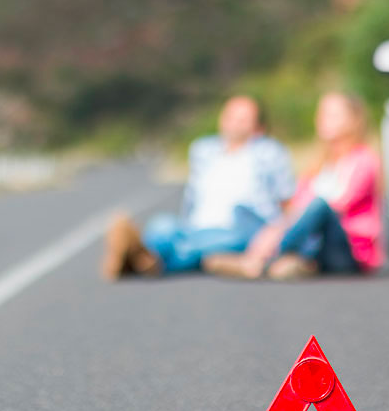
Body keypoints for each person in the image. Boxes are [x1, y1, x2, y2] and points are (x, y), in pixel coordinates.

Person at [101, 95, 296, 279]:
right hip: (196, 226)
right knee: (163, 225)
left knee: (199, 246)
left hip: (241, 226)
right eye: (231, 117)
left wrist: (275, 233)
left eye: (243, 119)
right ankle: (147, 259)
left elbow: (286, 202)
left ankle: (141, 259)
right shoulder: (204, 150)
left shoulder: (269, 152)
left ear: (258, 127)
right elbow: (191, 198)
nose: (235, 123)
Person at [204, 91, 383, 280]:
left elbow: (337, 204)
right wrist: (276, 227)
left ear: (353, 121)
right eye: (321, 114)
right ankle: (291, 262)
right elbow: (296, 205)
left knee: (320, 205)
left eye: (332, 115)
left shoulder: (364, 160)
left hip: (345, 251)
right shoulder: (320, 162)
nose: (322, 120)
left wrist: (281, 230)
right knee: (242, 210)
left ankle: (261, 261)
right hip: (313, 241)